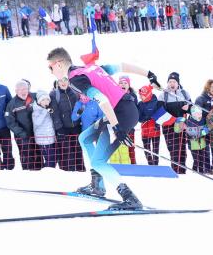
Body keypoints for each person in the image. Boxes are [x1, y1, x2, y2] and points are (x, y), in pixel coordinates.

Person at [46, 47, 161, 209]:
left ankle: (130, 198)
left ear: (58, 64)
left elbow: (103, 99)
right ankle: (97, 184)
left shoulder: (75, 79)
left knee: (98, 161)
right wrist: (149, 74)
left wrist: (117, 128)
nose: (50, 72)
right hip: (124, 109)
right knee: (84, 138)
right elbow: (121, 66)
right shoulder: (88, 68)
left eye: (50, 67)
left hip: (120, 114)